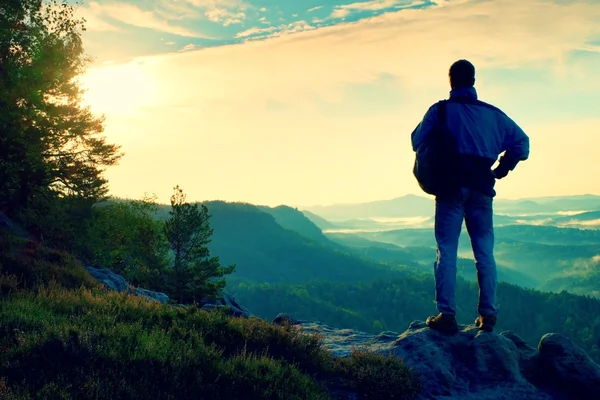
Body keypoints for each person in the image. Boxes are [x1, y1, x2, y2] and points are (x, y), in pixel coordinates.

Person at [411, 59, 530, 334]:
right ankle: (488, 316)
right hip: (481, 190)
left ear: (450, 82)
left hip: (449, 189)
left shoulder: (439, 111)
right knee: (484, 253)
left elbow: (416, 141)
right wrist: (505, 165)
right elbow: (522, 143)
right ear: (473, 81)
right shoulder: (494, 115)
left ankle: (447, 315)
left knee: (447, 251)